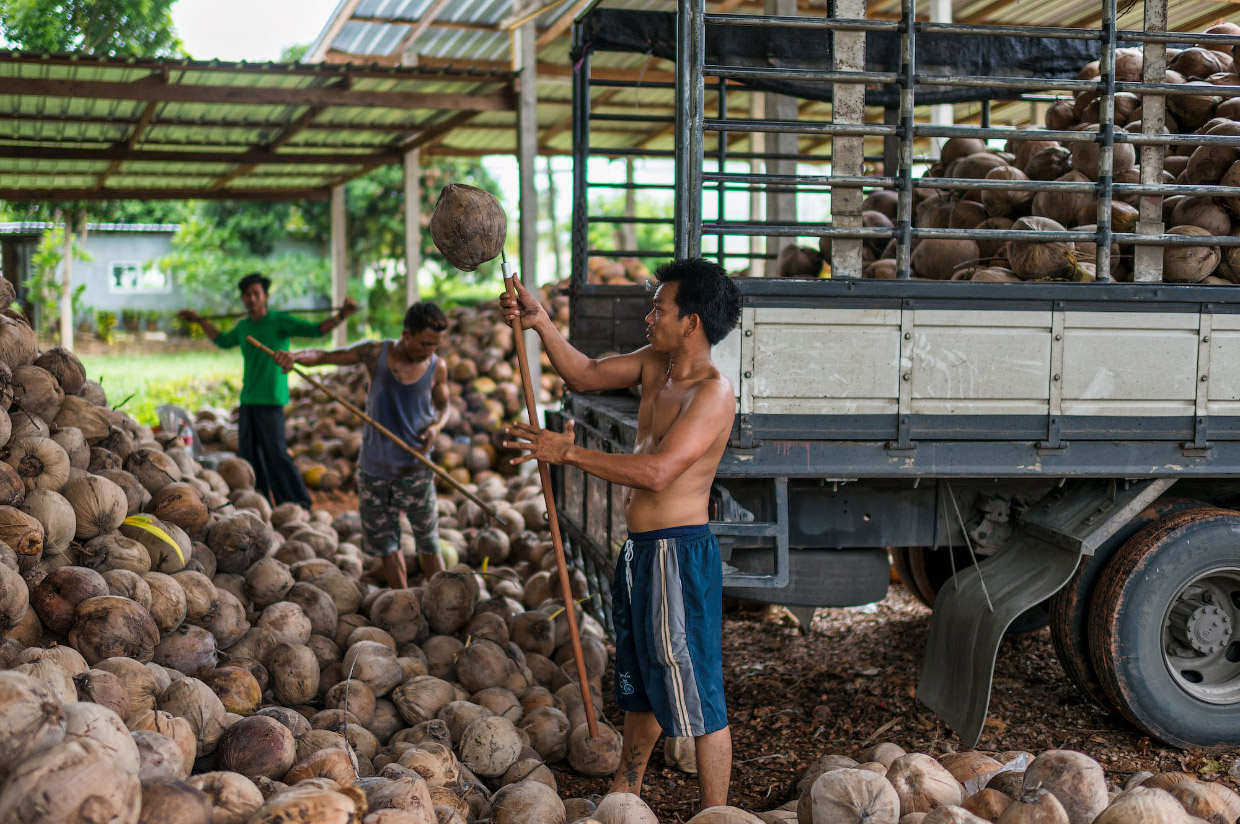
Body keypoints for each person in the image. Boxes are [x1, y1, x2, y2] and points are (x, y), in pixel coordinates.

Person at [500, 258, 742, 811]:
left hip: (678, 556)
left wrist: (568, 452)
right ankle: (626, 786)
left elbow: (659, 472)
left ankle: (715, 815)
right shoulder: (656, 365)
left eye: (660, 307)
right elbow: (584, 374)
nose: (649, 315)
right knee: (642, 679)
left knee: (699, 693)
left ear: (693, 323)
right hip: (639, 552)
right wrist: (539, 323)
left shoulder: (713, 393)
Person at [271, 302, 451, 590]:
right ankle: (401, 600)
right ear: (406, 334)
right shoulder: (376, 353)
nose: (430, 350)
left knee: (428, 543)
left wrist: (436, 427)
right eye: (425, 343)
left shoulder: (437, 366)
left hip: (416, 468)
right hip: (375, 470)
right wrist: (294, 357)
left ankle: (444, 599)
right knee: (387, 545)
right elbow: (325, 356)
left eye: (435, 344)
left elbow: (444, 405)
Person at [178, 273, 357, 509]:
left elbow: (316, 330)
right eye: (247, 295)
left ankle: (298, 502)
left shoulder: (279, 321)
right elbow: (222, 340)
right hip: (248, 399)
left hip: (271, 400)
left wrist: (342, 315)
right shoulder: (244, 327)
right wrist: (201, 322)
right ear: (243, 299)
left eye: (256, 294)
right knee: (249, 455)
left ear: (265, 297)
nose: (251, 299)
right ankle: (260, 500)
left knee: (277, 455)